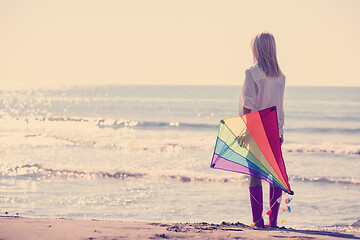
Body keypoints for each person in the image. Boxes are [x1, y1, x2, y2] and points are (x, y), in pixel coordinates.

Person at [239, 32, 286, 228]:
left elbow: (248, 104)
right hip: (274, 129)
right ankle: (272, 221)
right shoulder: (280, 77)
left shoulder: (252, 73)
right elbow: (280, 107)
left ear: (257, 50)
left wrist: (244, 131)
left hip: (257, 128)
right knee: (274, 175)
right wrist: (281, 132)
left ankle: (257, 220)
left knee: (255, 174)